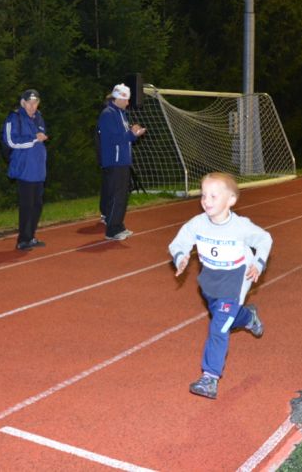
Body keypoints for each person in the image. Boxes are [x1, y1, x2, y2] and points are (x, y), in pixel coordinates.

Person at [168, 172, 273, 399]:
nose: (206, 201)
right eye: (204, 195)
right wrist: (181, 257)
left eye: (214, 196)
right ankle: (248, 318)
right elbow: (179, 242)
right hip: (210, 282)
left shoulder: (241, 226)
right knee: (224, 317)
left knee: (218, 327)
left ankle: (210, 377)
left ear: (231, 201)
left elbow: (264, 239)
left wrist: (258, 262)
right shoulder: (197, 224)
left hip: (235, 281)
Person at [96, 83, 146, 240]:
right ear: (118, 98)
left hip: (123, 161)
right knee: (116, 197)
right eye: (126, 99)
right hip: (114, 162)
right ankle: (111, 229)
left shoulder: (120, 114)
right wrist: (131, 134)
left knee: (122, 196)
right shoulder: (108, 114)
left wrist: (134, 133)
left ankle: (118, 225)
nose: (128, 103)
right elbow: (113, 139)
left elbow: (124, 138)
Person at [2, 89, 49, 250]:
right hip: (24, 168)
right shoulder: (14, 118)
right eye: (29, 103)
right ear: (23, 103)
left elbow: (41, 136)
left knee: (37, 204)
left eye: (35, 103)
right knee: (27, 205)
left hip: (38, 168)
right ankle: (23, 239)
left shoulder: (39, 117)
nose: (32, 106)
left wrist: (39, 138)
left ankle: (30, 236)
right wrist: (34, 138)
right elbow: (10, 141)